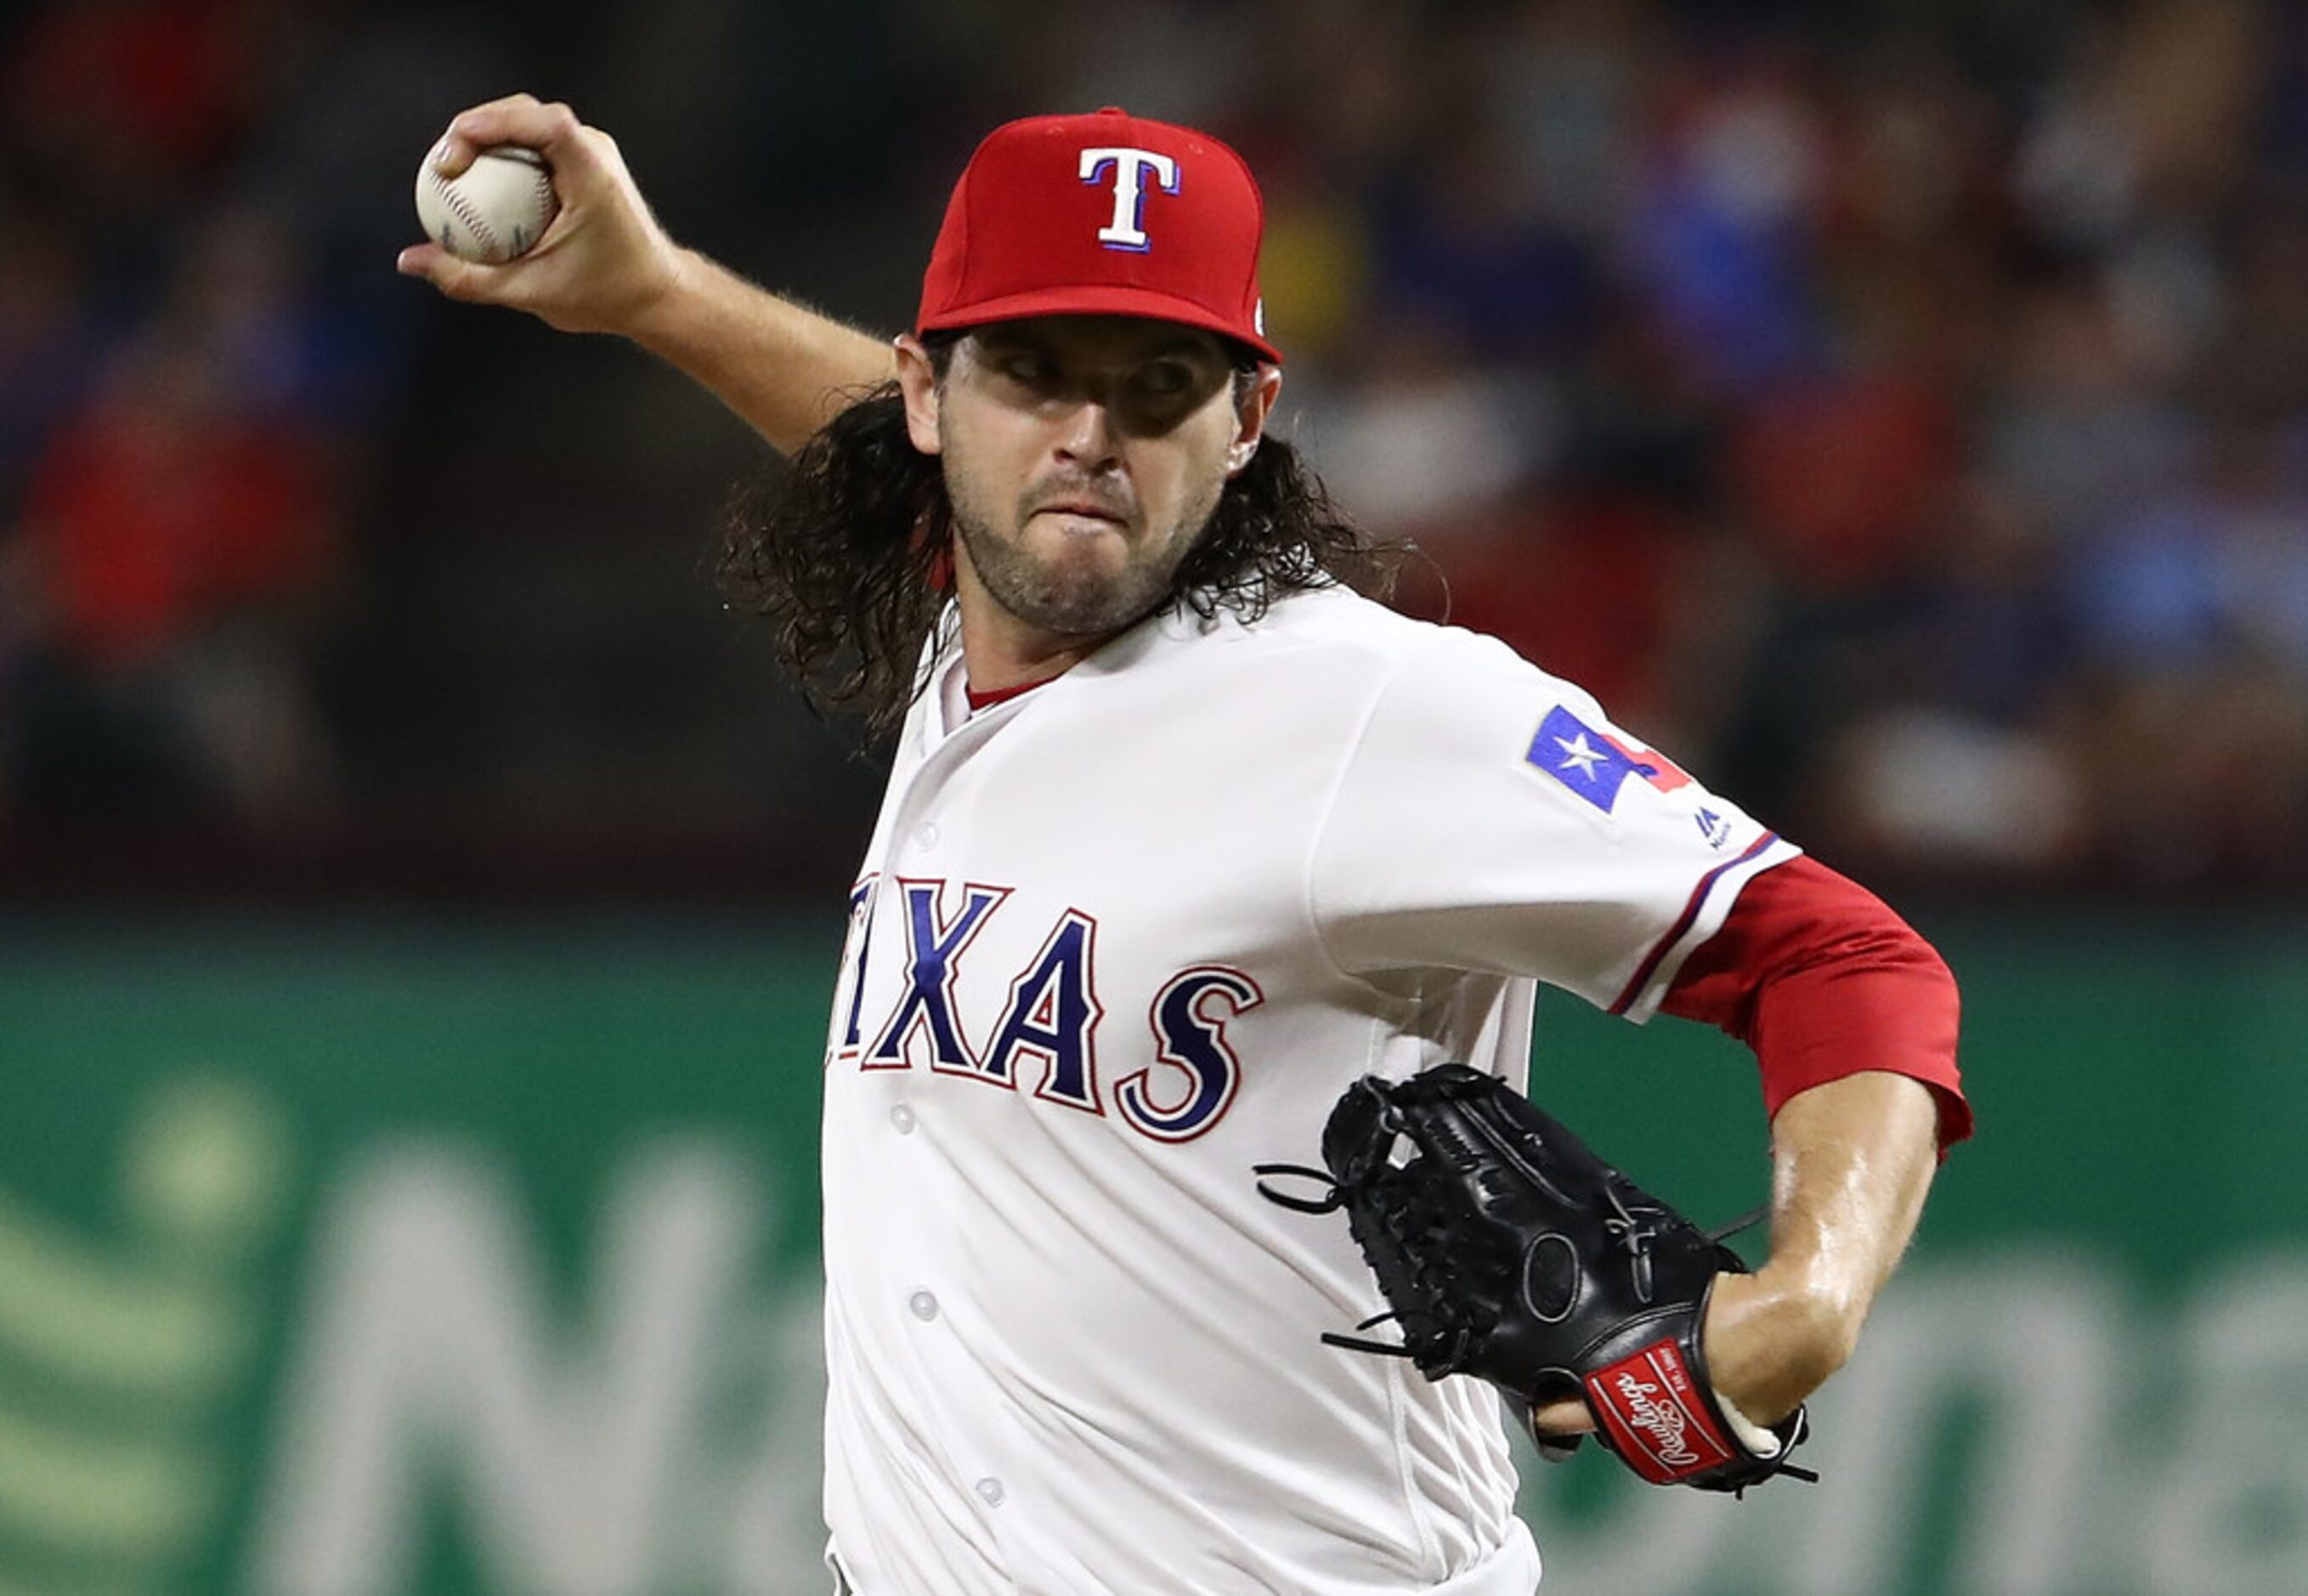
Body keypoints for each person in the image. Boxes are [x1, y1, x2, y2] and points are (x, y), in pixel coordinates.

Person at [402, 96, 1970, 1595]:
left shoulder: (1371, 711)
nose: (1088, 437)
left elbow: (1841, 954)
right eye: (1033, 370)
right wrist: (659, 293)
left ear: (1247, 421)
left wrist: (1808, 1298)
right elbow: (958, 485)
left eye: (1157, 386)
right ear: (930, 396)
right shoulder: (997, 621)